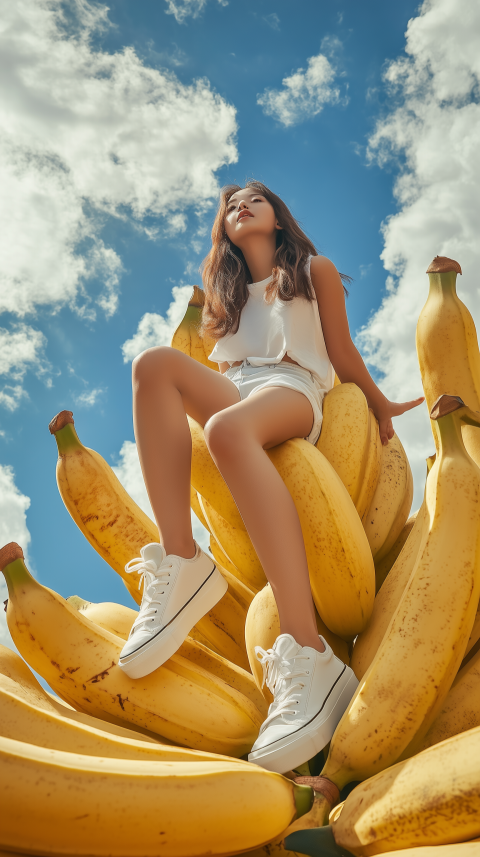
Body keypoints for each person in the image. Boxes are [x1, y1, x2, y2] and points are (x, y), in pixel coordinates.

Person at [117, 180, 424, 773]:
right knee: (153, 365)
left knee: (227, 431)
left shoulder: (313, 271)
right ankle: (182, 560)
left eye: (254, 199)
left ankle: (310, 654)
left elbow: (341, 351)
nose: (241, 207)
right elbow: (218, 372)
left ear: (278, 216)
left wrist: (379, 402)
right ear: (225, 230)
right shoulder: (226, 298)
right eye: (231, 206)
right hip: (237, 386)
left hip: (292, 388)